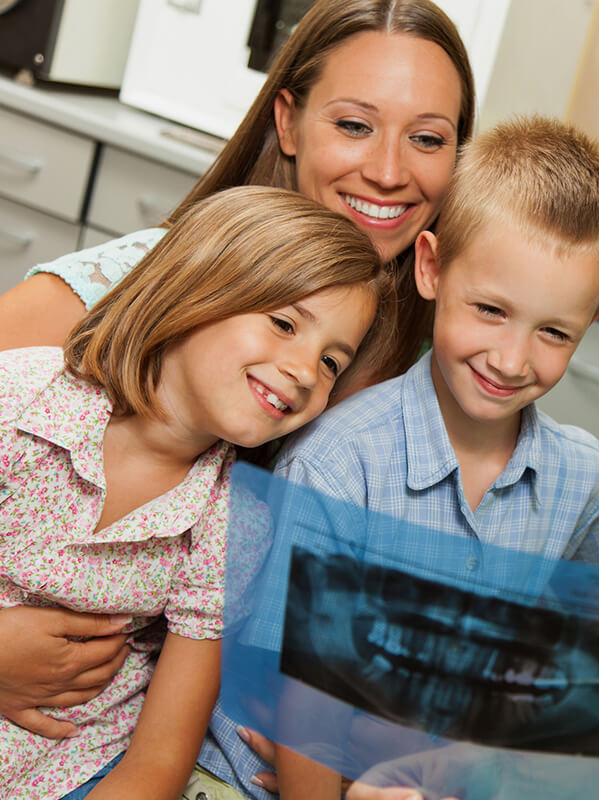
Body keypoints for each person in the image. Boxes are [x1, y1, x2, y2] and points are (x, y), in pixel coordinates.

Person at [0, 0, 475, 777]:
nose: (389, 170)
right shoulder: (131, 291)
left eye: (427, 138)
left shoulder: (429, 373)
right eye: (354, 125)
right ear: (287, 123)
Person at [256, 114, 599, 798]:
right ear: (430, 268)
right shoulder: (339, 464)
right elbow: (295, 702)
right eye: (490, 310)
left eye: (554, 331)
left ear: (597, 315)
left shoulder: (580, 478)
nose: (512, 359)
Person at [0, 185, 390, 799]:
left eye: (331, 362)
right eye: (285, 323)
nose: (304, 370)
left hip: (70, 776)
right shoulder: (19, 401)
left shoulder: (233, 521)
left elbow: (157, 764)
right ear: (197, 287)